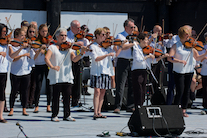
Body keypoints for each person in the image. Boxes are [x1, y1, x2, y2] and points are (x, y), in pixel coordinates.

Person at [45, 28, 87, 122]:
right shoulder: (52, 47)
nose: (64, 37)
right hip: (56, 75)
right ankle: (54, 115)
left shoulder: (69, 48)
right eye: (62, 35)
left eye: (65, 35)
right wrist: (52, 66)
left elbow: (74, 59)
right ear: (57, 37)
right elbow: (46, 58)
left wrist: (82, 52)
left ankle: (67, 115)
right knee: (55, 97)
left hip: (67, 75)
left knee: (67, 97)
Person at [167, 26, 207, 117]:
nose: (188, 36)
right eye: (186, 34)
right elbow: (170, 57)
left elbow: (197, 58)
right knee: (180, 91)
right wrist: (179, 61)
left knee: (186, 91)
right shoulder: (176, 45)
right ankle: (176, 108)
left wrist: (204, 54)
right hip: (179, 71)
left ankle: (183, 110)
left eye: (189, 34)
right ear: (182, 35)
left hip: (189, 71)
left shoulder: (191, 46)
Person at [131, 33, 169, 107]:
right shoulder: (136, 48)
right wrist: (148, 56)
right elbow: (138, 59)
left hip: (144, 71)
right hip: (137, 72)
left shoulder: (146, 49)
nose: (147, 41)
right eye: (146, 40)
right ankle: (137, 107)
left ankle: (141, 106)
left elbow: (153, 61)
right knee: (138, 91)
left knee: (143, 92)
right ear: (141, 40)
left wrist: (162, 56)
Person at [8, 28, 39, 116]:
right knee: (14, 91)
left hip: (26, 71)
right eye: (22, 36)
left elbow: (34, 57)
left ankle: (24, 109)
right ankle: (11, 109)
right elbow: (12, 57)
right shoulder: (12, 46)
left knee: (25, 91)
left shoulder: (28, 46)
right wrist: (21, 50)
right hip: (15, 72)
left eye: (24, 35)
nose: (24, 37)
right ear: (16, 36)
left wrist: (39, 50)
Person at [90, 28, 115, 119]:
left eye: (105, 35)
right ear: (97, 36)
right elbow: (95, 58)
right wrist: (107, 55)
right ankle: (95, 112)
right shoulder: (93, 46)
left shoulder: (106, 47)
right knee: (97, 91)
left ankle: (99, 111)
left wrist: (116, 47)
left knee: (103, 92)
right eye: (103, 35)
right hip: (97, 71)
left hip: (105, 71)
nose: (105, 36)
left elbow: (115, 55)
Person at [113, 18, 135, 113]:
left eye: (134, 27)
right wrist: (133, 44)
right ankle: (118, 105)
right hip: (123, 61)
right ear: (126, 27)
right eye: (131, 27)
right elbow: (123, 46)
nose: (133, 29)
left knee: (132, 84)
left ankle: (130, 105)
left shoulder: (134, 37)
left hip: (132, 61)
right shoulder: (120, 36)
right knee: (121, 84)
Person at [66, 20, 87, 106]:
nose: (79, 29)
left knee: (78, 82)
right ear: (72, 27)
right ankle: (67, 99)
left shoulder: (81, 37)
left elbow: (86, 44)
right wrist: (76, 43)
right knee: (69, 82)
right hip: (69, 60)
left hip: (79, 59)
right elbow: (66, 44)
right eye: (77, 28)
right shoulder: (67, 35)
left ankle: (76, 100)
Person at [33, 24, 52, 113]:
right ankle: (36, 105)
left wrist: (48, 49)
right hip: (38, 65)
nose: (44, 33)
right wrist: (40, 49)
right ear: (39, 31)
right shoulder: (36, 41)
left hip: (47, 65)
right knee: (38, 86)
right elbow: (34, 57)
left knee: (49, 86)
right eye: (43, 31)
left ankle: (48, 105)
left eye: (46, 31)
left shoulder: (49, 41)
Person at [0, 23, 10, 123]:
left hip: (3, 70)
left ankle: (0, 115)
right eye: (3, 31)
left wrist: (20, 48)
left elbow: (11, 56)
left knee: (2, 93)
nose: (5, 33)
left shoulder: (7, 44)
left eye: (5, 31)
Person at [26, 24, 37, 110]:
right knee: (27, 85)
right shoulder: (25, 41)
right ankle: (25, 101)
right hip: (26, 65)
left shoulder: (36, 41)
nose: (32, 33)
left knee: (33, 85)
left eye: (33, 32)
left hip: (33, 64)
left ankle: (31, 101)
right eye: (30, 32)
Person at [81, 25, 91, 95]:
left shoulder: (87, 40)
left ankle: (85, 89)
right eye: (85, 30)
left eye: (87, 30)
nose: (86, 32)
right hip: (81, 57)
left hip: (86, 57)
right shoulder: (80, 39)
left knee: (86, 74)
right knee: (81, 73)